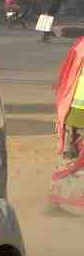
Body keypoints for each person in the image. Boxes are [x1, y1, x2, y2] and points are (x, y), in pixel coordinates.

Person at [49, 36, 84, 211]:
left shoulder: (80, 45)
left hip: (70, 109)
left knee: (68, 157)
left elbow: (66, 77)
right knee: (73, 159)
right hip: (76, 111)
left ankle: (56, 200)